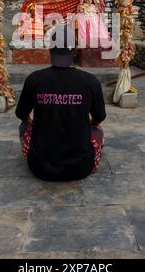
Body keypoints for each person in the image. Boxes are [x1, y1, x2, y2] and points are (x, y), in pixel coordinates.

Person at [15, 26, 106, 182]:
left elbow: (21, 114)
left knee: (24, 126)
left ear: (50, 50)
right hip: (81, 168)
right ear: (76, 51)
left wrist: (34, 123)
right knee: (98, 131)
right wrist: (90, 123)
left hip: (40, 168)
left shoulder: (35, 79)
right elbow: (99, 117)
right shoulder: (90, 81)